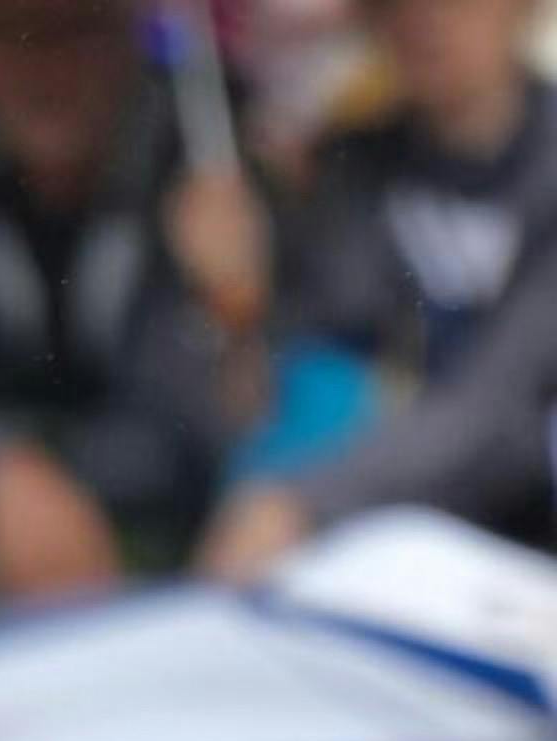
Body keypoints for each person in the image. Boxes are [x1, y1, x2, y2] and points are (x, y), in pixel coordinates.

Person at [0, 0, 258, 609]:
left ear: (130, 34)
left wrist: (226, 305)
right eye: (9, 33)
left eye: (73, 31)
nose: (43, 68)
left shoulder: (209, 166)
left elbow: (179, 436)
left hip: (181, 555)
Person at [205, 0, 557, 573]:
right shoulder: (349, 169)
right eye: (395, 4)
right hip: (374, 552)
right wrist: (229, 296)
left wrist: (303, 503)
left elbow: (502, 405)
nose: (427, 19)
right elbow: (280, 393)